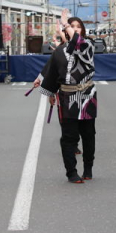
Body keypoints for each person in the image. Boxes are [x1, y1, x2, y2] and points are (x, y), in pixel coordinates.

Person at [35, 17, 97, 183]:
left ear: (82, 30)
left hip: (87, 96)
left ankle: (88, 167)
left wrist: (67, 25)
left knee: (89, 134)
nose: (75, 29)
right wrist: (50, 93)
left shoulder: (88, 45)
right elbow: (53, 73)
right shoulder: (59, 51)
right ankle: (71, 172)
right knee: (69, 137)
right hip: (67, 97)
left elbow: (79, 44)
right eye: (72, 27)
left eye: (78, 27)